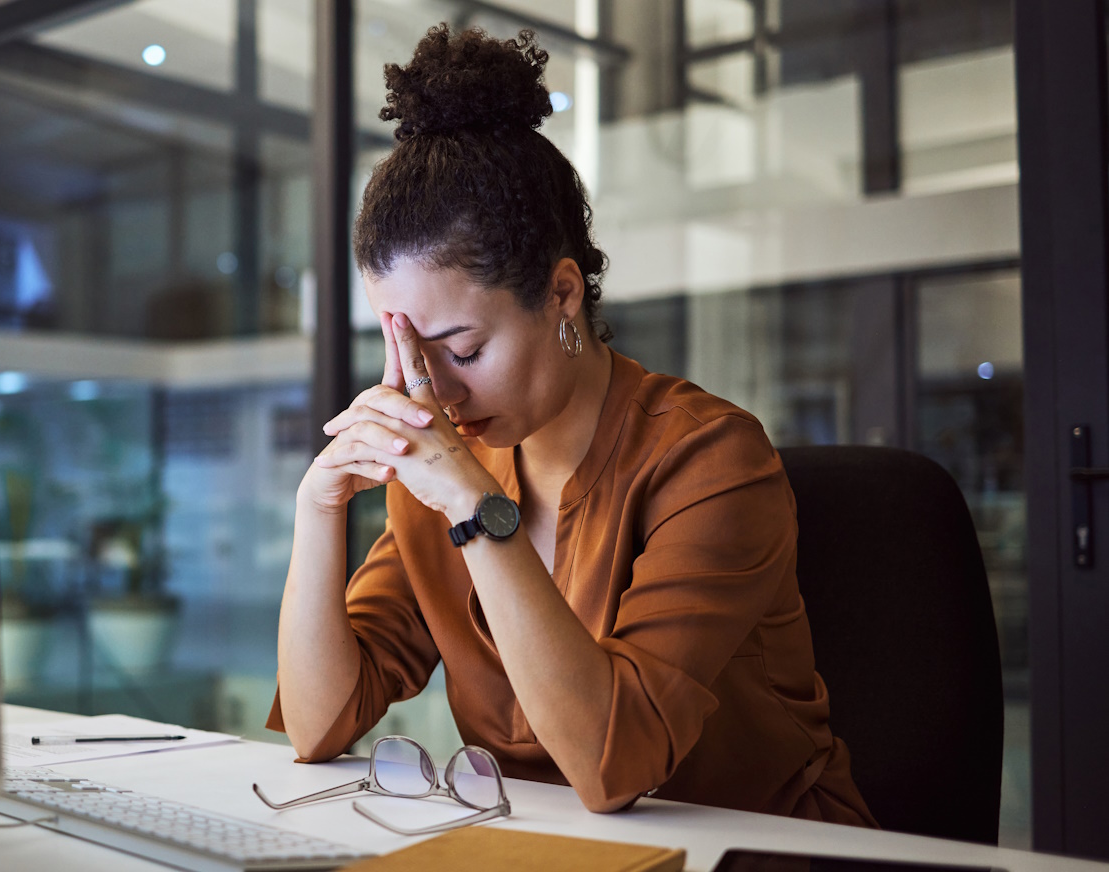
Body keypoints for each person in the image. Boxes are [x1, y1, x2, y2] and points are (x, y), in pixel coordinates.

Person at [268, 24, 877, 825]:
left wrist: (474, 511)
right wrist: (319, 505)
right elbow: (318, 726)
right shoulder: (447, 474)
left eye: (462, 349)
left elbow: (611, 764)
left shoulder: (711, 458)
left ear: (561, 296)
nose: (437, 395)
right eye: (410, 353)